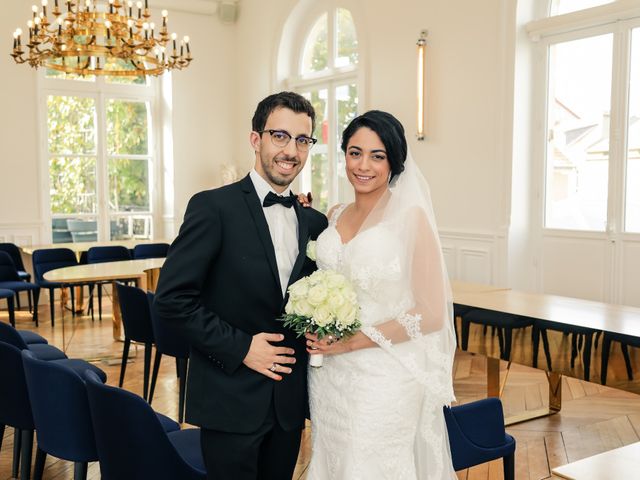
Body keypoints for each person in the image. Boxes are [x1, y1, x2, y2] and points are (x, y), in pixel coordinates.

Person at [153, 91, 328, 480]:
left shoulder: (315, 225)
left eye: (302, 140)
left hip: (287, 403)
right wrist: (242, 347)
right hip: (229, 398)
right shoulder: (212, 207)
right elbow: (171, 300)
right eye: (280, 136)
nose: (291, 150)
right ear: (256, 140)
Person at [305, 110, 457, 479]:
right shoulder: (335, 213)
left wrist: (352, 342)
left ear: (394, 162)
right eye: (355, 152)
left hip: (384, 373)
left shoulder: (411, 219)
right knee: (332, 458)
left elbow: (432, 313)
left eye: (377, 156)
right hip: (329, 372)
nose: (363, 165)